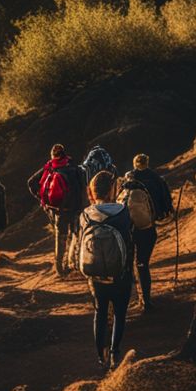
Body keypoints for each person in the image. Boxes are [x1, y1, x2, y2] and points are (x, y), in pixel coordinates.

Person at [78, 170, 134, 370]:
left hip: (95, 275)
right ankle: (114, 354)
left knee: (100, 312)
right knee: (119, 313)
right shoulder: (122, 211)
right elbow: (129, 238)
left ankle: (100, 356)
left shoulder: (85, 214)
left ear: (93, 191)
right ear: (112, 189)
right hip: (120, 273)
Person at [27, 144, 89, 277]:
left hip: (58, 210)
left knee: (60, 237)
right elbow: (83, 187)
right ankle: (77, 264)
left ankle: (59, 268)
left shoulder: (49, 167)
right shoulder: (74, 167)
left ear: (52, 155)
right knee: (76, 235)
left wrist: (42, 198)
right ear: (64, 154)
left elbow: (31, 182)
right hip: (75, 208)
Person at [124, 153, 174, 312]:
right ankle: (146, 301)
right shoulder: (156, 179)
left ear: (134, 163)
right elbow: (166, 204)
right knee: (142, 264)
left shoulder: (128, 181)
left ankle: (126, 301)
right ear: (147, 163)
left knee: (128, 265)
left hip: (129, 230)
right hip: (147, 229)